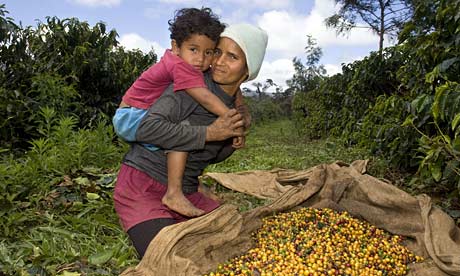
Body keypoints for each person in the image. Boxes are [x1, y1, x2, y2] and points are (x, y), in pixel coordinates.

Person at [113, 23, 268, 258]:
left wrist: (231, 136)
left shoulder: (234, 108)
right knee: (171, 256)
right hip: (143, 184)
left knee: (238, 242)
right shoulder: (190, 86)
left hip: (185, 191)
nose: (218, 61)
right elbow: (146, 128)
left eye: (232, 57)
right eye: (217, 52)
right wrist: (210, 134)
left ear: (248, 71)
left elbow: (204, 154)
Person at [112, 8, 245, 218]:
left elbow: (233, 91)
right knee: (181, 131)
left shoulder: (181, 62)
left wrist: (238, 106)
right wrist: (230, 119)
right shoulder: (182, 68)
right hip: (131, 118)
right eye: (193, 49)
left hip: (131, 112)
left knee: (181, 134)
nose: (201, 59)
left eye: (209, 52)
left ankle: (187, 184)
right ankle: (173, 192)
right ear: (175, 46)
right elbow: (205, 97)